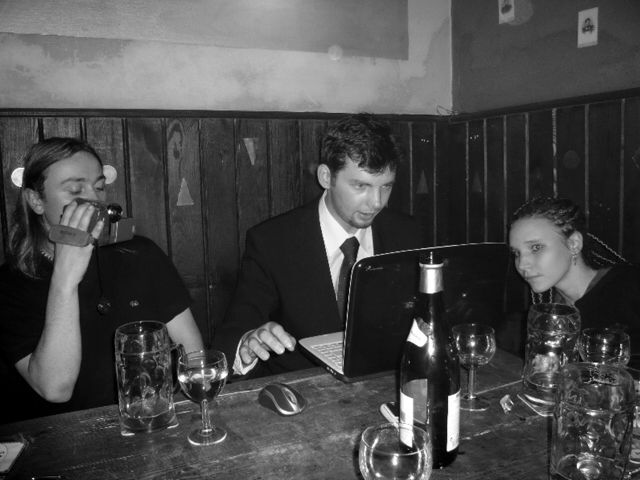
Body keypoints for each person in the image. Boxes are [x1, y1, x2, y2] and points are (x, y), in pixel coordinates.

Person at [0, 137, 204, 422]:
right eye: (75, 190)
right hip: (62, 437)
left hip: (154, 421)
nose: (94, 200)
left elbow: (193, 354)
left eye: (98, 187)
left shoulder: (139, 254)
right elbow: (55, 389)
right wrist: (64, 280)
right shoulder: (10, 284)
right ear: (36, 200)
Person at [217, 113, 424, 378]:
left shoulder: (406, 234)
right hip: (304, 391)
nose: (376, 202)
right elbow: (234, 333)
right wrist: (248, 343)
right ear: (326, 177)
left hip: (387, 383)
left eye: (386, 187)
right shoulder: (273, 242)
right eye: (361, 186)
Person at [509, 195, 640, 353]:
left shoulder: (630, 287)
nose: (522, 264)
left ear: (573, 244)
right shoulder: (544, 312)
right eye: (516, 253)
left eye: (536, 247)